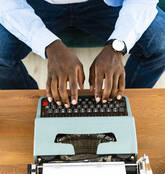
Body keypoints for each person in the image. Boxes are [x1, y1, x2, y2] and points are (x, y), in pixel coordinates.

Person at [0, 0, 165, 108]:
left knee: (160, 43)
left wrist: (117, 45)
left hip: (104, 4)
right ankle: (31, 108)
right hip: (37, 4)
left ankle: (120, 104)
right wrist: (48, 44)